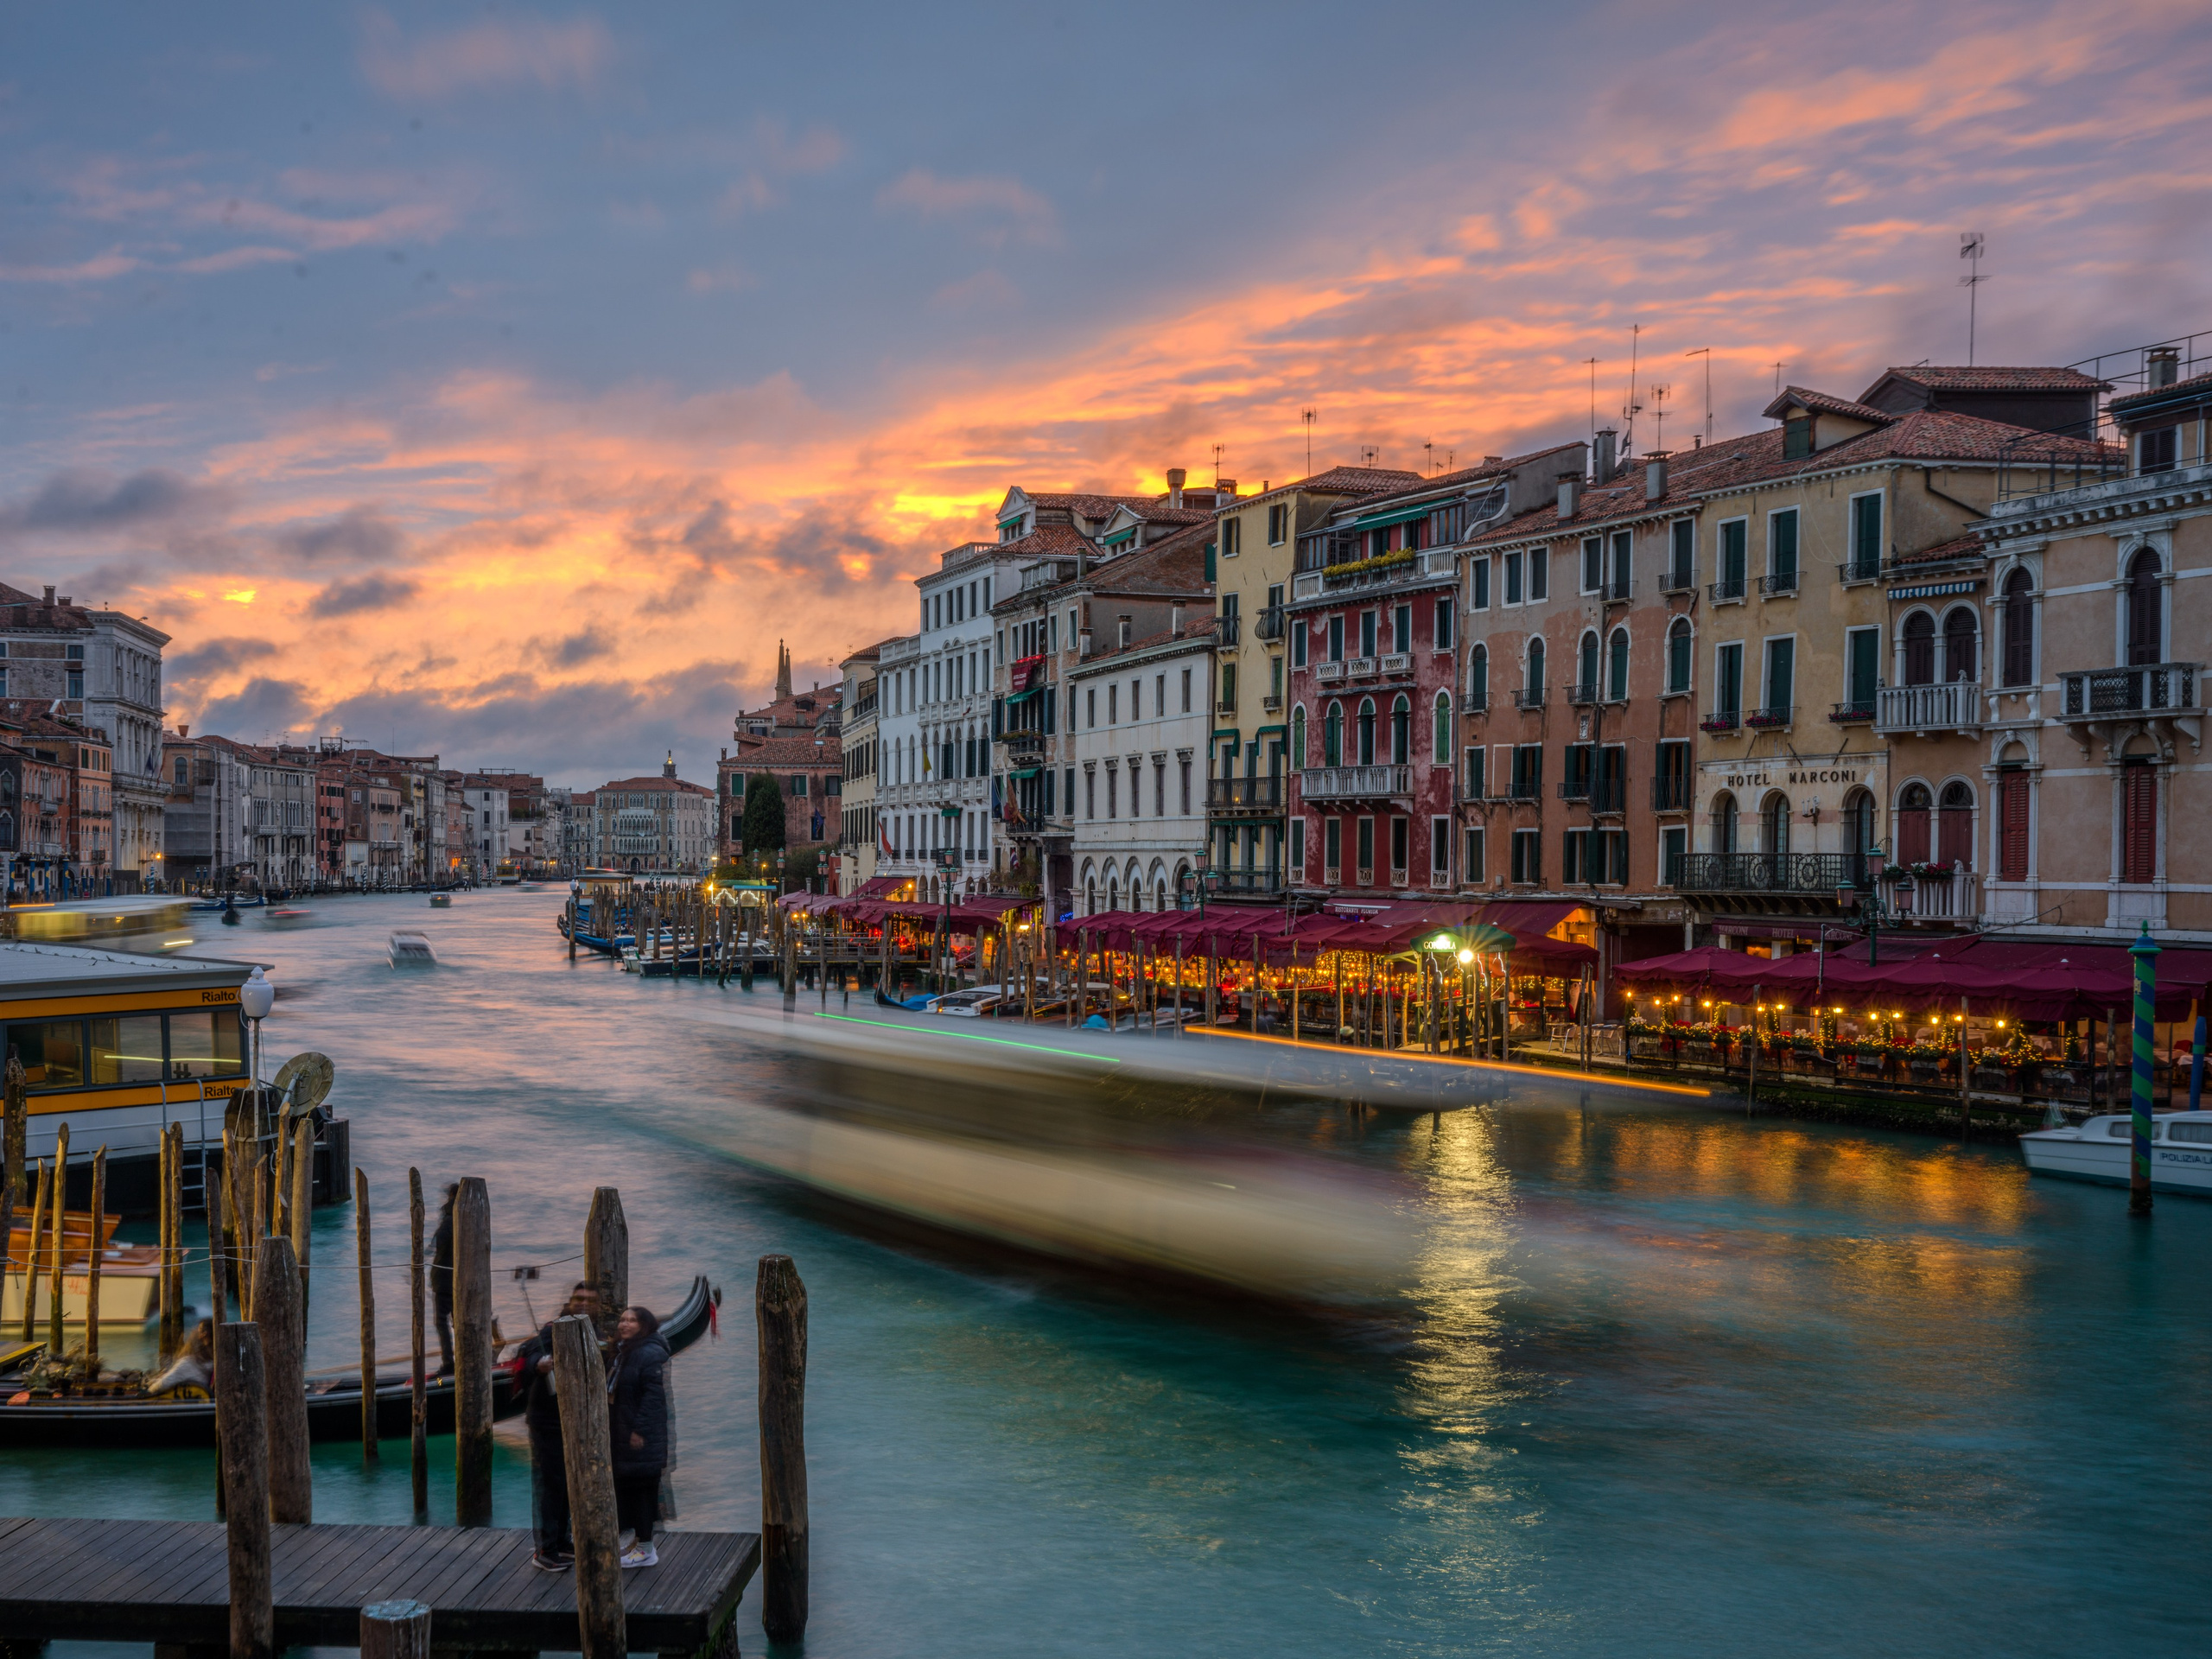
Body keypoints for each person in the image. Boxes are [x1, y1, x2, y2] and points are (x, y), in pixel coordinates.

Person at [515, 1281, 601, 1573]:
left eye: (590, 1300)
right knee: (549, 1486)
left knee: (566, 1485)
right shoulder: (554, 1329)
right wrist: (539, 1364)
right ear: (571, 1301)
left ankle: (562, 1541)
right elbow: (529, 1353)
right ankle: (544, 1549)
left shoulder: (592, 1331)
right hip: (548, 1424)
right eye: (579, 1298)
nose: (584, 1303)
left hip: (574, 1422)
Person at [607, 1305, 671, 1569]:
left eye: (632, 1321)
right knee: (629, 1490)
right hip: (624, 1435)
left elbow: (653, 1399)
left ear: (645, 1326)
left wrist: (639, 1431)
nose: (625, 1324)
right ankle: (636, 1543)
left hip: (642, 1439)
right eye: (622, 1319)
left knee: (644, 1492)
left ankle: (646, 1550)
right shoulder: (624, 1352)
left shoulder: (648, 1354)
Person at [147, 1318, 215, 1395]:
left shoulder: (188, 1363)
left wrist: (148, 1391)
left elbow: (163, 1384)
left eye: (198, 1329)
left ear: (203, 1334)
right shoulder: (215, 1362)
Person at [430, 1183, 457, 1375]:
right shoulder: (469, 1216)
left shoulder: (450, 1218)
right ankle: (465, 1357)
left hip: (445, 1278)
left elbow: (438, 1241)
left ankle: (448, 1364)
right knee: (459, 1320)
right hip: (462, 1277)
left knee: (441, 1321)